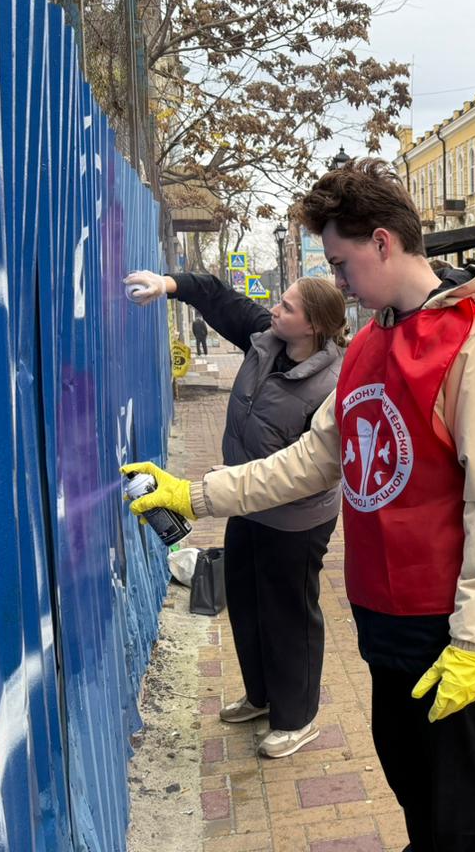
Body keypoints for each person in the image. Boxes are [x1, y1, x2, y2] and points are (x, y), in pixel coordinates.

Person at [122, 157, 475, 852]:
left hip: (452, 620)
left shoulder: (473, 343)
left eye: (342, 263)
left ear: (382, 241)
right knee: (411, 778)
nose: (337, 282)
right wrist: (195, 493)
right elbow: (313, 458)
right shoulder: (371, 340)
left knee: (467, 809)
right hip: (385, 611)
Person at [123, 267, 348, 759]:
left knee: (289, 613)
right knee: (246, 600)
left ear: (312, 326)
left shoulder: (333, 383)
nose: (275, 310)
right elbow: (217, 296)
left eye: (287, 307)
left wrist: (205, 493)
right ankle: (262, 696)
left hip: (296, 518)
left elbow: (312, 469)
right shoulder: (265, 339)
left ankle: (297, 717)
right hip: (245, 498)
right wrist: (167, 285)